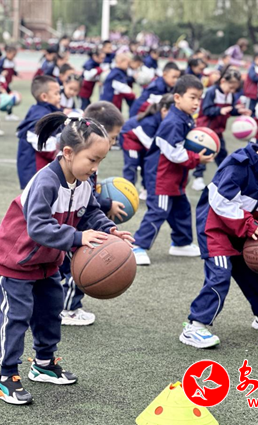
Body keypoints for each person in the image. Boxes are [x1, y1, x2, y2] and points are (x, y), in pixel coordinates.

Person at [0, 112, 133, 405]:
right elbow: (38, 227)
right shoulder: (46, 182)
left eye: (100, 161)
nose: (95, 168)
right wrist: (78, 238)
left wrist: (109, 231)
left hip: (47, 263)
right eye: (92, 160)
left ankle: (43, 363)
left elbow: (90, 213)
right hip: (16, 261)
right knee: (16, 317)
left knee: (50, 311)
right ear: (68, 153)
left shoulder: (83, 183)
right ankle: (6, 376)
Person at [179, 129, 258, 348]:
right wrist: (250, 225)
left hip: (242, 229)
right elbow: (221, 203)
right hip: (215, 230)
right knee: (220, 275)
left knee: (255, 271)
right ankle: (195, 326)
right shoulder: (237, 166)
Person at [132, 75, 214, 266]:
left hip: (175, 178)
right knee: (158, 210)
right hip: (161, 177)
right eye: (192, 97)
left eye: (199, 98)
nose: (196, 103)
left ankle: (181, 243)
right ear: (177, 98)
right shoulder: (173, 122)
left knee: (181, 209)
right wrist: (197, 158)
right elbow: (174, 153)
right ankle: (137, 246)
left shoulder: (185, 118)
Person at [60, 100, 126, 326]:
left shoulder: (83, 169)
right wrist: (108, 204)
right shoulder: (56, 177)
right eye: (113, 137)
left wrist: (108, 228)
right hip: (68, 229)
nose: (114, 142)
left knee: (62, 269)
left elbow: (89, 204)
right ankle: (68, 309)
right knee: (75, 268)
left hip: (73, 225)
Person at [120, 94, 174, 200]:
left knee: (148, 163)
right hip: (130, 138)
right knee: (132, 165)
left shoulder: (162, 120)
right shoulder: (150, 123)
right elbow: (151, 147)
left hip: (143, 142)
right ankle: (127, 192)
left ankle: (145, 189)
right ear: (164, 110)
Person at [16, 75, 62, 189]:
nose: (60, 97)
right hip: (35, 170)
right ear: (44, 96)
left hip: (41, 170)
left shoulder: (46, 111)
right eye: (56, 94)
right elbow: (41, 143)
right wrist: (62, 154)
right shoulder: (40, 116)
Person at [1, 45, 19, 121]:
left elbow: (12, 71)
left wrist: (16, 73)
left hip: (7, 83)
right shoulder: (2, 61)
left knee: (9, 97)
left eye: (15, 55)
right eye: (13, 54)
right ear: (7, 53)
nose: (14, 56)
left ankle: (9, 114)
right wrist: (1, 73)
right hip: (2, 84)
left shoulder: (12, 62)